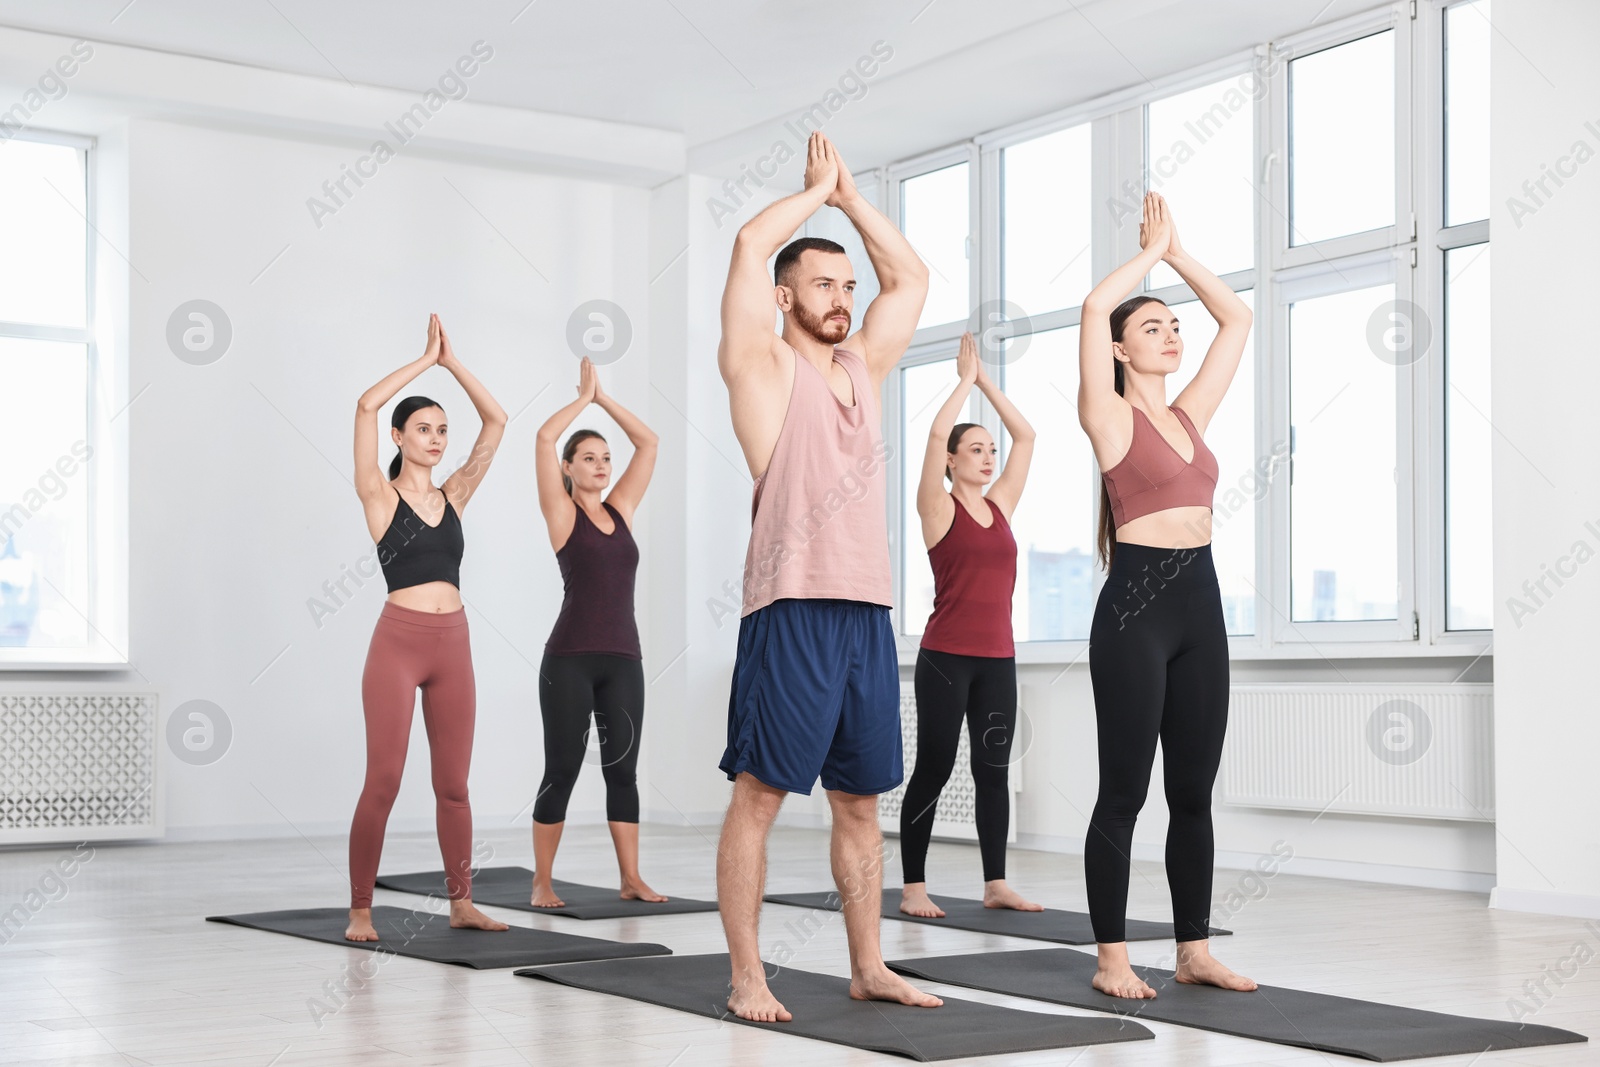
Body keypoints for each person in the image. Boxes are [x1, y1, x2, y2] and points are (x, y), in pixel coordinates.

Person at [714, 131, 941, 1022]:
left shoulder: (862, 365)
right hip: (791, 606)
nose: (843, 300)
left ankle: (868, 964)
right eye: (822, 285)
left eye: (849, 287)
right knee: (762, 794)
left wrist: (851, 203)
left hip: (866, 611)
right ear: (784, 297)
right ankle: (746, 973)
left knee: (860, 800)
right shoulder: (760, 366)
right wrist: (811, 196)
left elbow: (912, 279)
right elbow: (743, 247)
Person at [1076, 193, 1255, 997]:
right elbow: (1090, 304)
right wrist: (1143, 261)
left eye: (1174, 326)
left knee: (1192, 791)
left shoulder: (1191, 415)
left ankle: (1192, 948)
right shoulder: (1109, 418)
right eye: (1153, 326)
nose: (1172, 334)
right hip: (1136, 611)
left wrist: (1178, 254)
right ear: (1119, 347)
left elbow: (1238, 320)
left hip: (1201, 603)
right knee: (1125, 790)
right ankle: (1111, 954)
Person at [346, 314, 509, 941]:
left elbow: (496, 423)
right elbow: (364, 405)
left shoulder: (456, 495)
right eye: (424, 429)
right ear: (399, 435)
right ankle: (361, 909)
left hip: (454, 644)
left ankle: (462, 902)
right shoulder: (379, 496)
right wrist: (422, 360)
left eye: (443, 430)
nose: (437, 439)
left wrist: (453, 364)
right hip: (398, 643)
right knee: (384, 779)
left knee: (455, 787)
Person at [899, 331, 1040, 918]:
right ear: (953, 461)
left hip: (997, 659)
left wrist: (987, 382)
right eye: (975, 449)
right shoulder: (937, 506)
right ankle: (912, 888)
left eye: (990, 449)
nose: (988, 456)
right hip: (946, 656)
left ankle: (996, 882)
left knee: (993, 769)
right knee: (934, 764)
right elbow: (935, 434)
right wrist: (962, 382)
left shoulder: (1001, 506)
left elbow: (1028, 436)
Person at [529, 355, 663, 907]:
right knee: (561, 769)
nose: (603, 465)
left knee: (623, 772)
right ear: (568, 468)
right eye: (589, 458)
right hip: (570, 660)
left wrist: (605, 399)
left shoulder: (622, 509)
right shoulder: (562, 514)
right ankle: (542, 881)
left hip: (622, 660)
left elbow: (649, 443)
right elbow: (541, 437)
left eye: (606, 458)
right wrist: (581, 402)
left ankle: (631, 878)